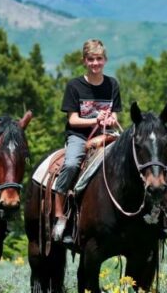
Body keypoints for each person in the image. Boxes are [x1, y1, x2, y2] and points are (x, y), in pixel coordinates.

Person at [52, 39, 122, 243]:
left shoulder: (112, 84)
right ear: (84, 61)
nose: (95, 63)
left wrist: (110, 119)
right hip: (79, 136)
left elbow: (115, 116)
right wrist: (95, 119)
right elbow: (72, 119)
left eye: (99, 59)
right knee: (72, 163)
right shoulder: (75, 86)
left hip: (107, 134)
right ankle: (60, 215)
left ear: (105, 60)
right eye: (91, 59)